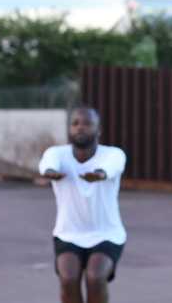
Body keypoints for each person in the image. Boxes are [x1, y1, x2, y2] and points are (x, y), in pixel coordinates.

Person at [39, 104, 126, 303]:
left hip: (107, 234)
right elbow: (46, 163)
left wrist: (100, 175)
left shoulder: (113, 154)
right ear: (69, 128)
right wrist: (50, 172)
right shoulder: (58, 154)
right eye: (75, 123)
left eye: (87, 123)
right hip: (68, 233)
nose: (80, 127)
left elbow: (110, 168)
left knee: (95, 278)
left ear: (98, 129)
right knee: (68, 279)